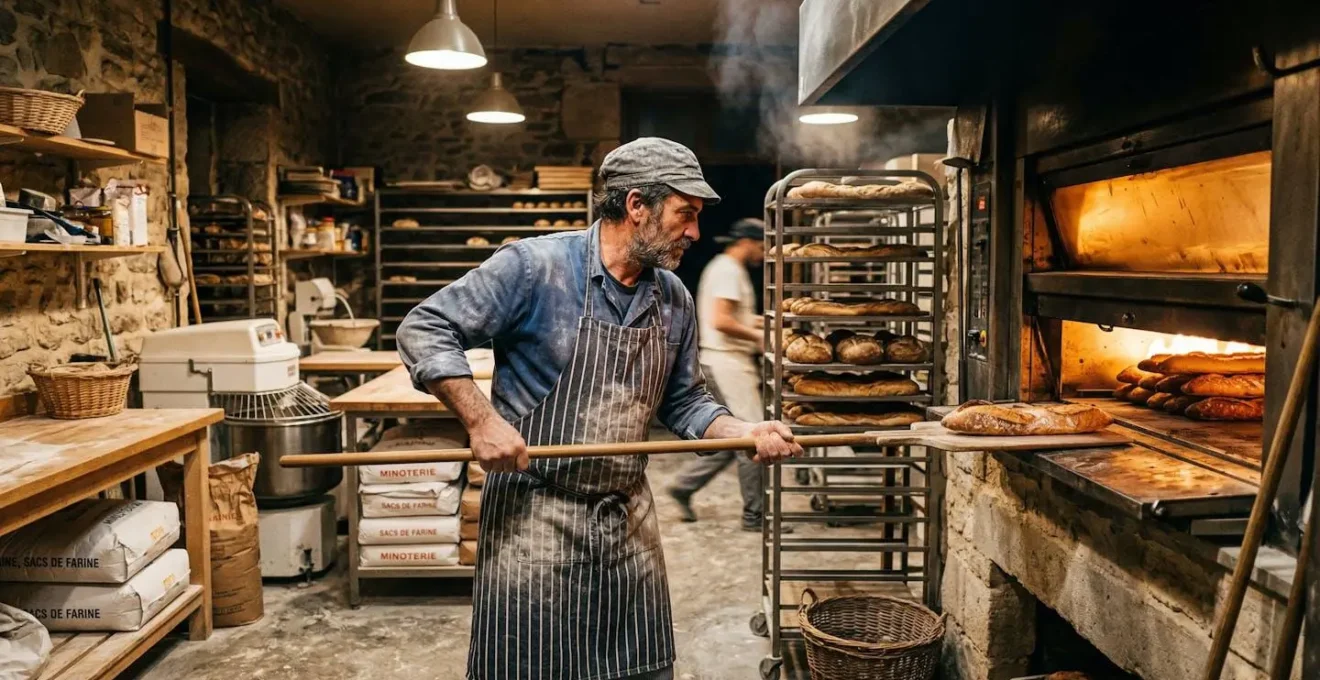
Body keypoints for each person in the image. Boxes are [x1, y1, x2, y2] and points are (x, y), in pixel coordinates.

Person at [396, 137, 803, 680]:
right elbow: (425, 327)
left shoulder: (674, 299)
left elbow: (686, 401)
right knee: (528, 666)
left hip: (625, 520)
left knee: (636, 667)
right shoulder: (534, 268)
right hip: (533, 521)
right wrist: (481, 420)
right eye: (685, 214)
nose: (694, 233)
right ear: (637, 205)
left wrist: (744, 429)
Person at [668, 218, 771, 531]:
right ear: (748, 242)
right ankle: (755, 515)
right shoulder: (727, 270)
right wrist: (759, 338)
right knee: (753, 438)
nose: (764, 252)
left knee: (733, 441)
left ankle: (683, 486)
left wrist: (763, 323)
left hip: (726, 360)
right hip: (727, 363)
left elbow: (734, 316)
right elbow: (721, 320)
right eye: (762, 245)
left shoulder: (727, 268)